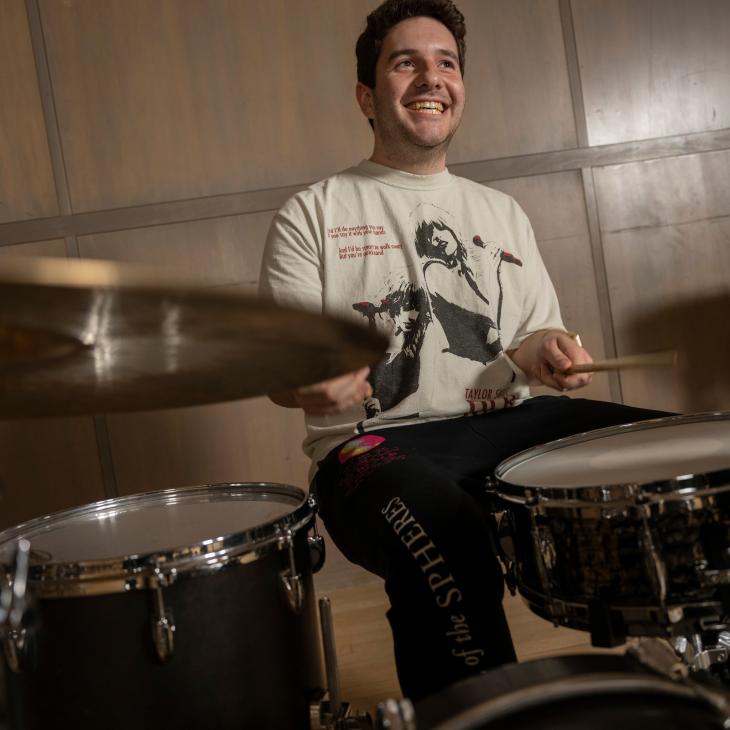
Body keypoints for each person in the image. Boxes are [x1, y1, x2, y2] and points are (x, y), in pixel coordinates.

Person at [259, 0, 667, 702]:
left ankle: (690, 664)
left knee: (673, 451)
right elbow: (282, 372)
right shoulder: (313, 213)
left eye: (446, 62)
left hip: (504, 424)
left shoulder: (500, 212)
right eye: (405, 62)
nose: (431, 77)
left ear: (460, 88)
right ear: (367, 94)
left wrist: (550, 352)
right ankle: (480, 712)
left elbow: (532, 336)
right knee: (446, 530)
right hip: (372, 445)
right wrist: (307, 385)